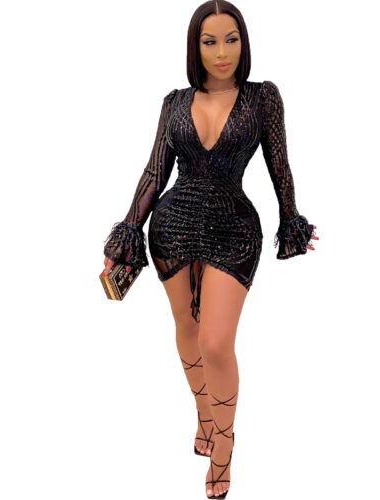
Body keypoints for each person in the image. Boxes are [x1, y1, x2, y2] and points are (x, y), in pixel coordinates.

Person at [102, 1, 319, 497]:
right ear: (194, 47)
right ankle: (204, 412)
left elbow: (280, 165)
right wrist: (127, 233)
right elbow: (155, 172)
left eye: (231, 39)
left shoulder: (263, 97)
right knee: (187, 329)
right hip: (172, 225)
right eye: (210, 41)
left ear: (244, 43)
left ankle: (224, 445)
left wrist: (291, 219)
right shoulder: (175, 102)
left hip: (233, 226)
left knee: (216, 342)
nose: (222, 52)